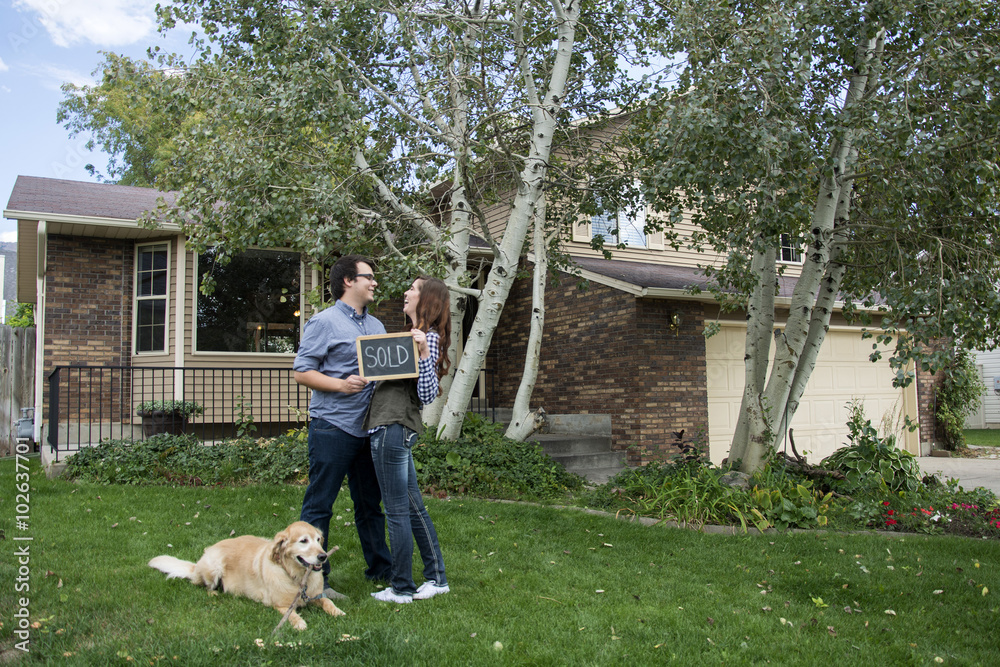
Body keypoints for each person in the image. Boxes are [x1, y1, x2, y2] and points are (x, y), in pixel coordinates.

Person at [294, 255, 392, 597]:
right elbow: (302, 371)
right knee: (320, 505)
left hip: (369, 430)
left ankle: (382, 571)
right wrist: (340, 384)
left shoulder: (377, 327)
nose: (374, 282)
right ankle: (314, 582)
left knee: (370, 505)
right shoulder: (324, 322)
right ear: (349, 281)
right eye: (369, 277)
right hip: (333, 428)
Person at [366, 276, 451, 604]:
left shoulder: (426, 338)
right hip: (389, 426)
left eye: (413, 289)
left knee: (397, 509)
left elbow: (427, 393)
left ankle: (401, 586)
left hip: (394, 427)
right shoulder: (408, 336)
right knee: (413, 507)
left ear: (427, 299)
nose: (406, 292)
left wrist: (424, 354)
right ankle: (437, 578)